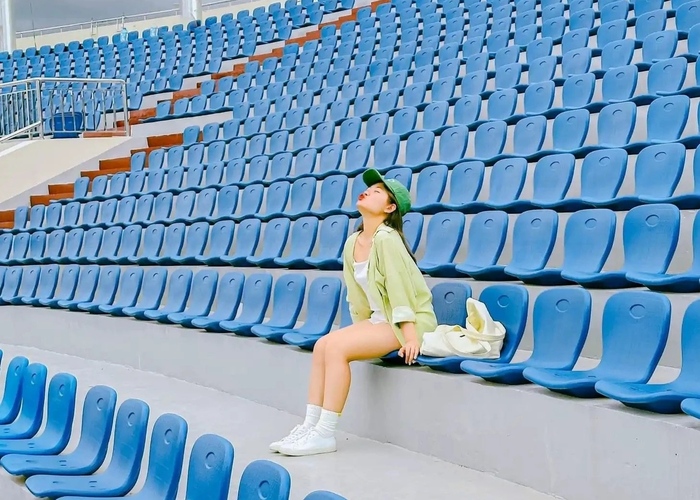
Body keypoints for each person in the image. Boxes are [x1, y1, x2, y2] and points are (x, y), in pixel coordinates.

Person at [270, 168, 438, 457]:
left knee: (337, 350)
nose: (368, 191)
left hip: (409, 322)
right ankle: (310, 425)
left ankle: (325, 434)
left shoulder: (387, 239)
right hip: (380, 320)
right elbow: (357, 298)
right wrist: (361, 331)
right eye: (368, 189)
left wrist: (411, 337)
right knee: (323, 345)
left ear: (390, 208)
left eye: (377, 192)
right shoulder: (353, 242)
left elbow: (400, 290)